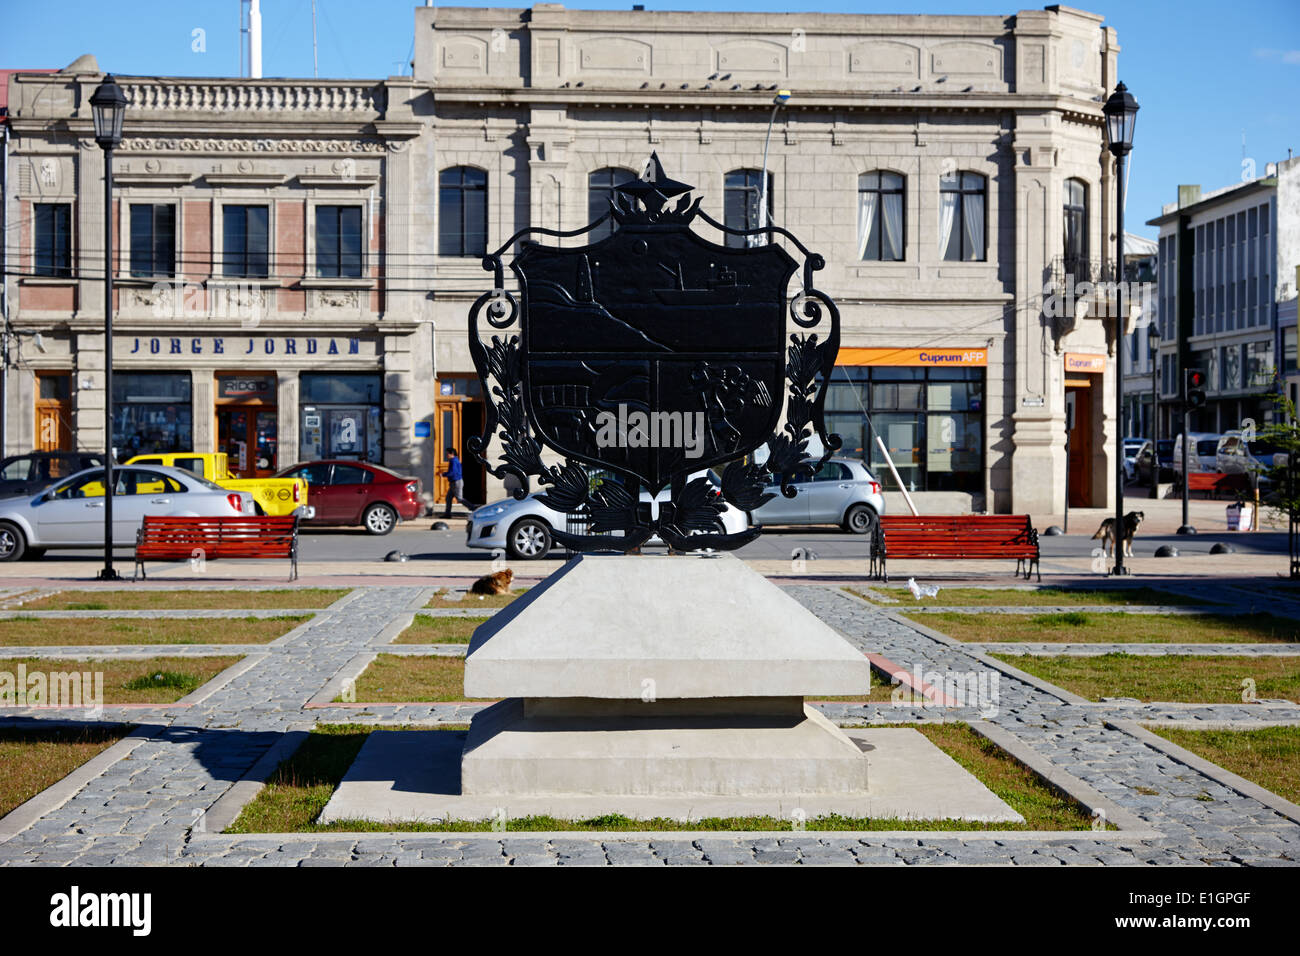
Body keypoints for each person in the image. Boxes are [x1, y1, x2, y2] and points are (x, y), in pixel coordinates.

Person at [440, 447, 474, 517]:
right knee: (448, 498)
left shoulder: (453, 461)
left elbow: (453, 472)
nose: (446, 455)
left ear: (451, 454)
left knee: (459, 498)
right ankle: (447, 514)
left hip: (456, 482)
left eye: (447, 454)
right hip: (454, 482)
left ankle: (473, 508)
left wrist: (444, 474)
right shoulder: (454, 460)